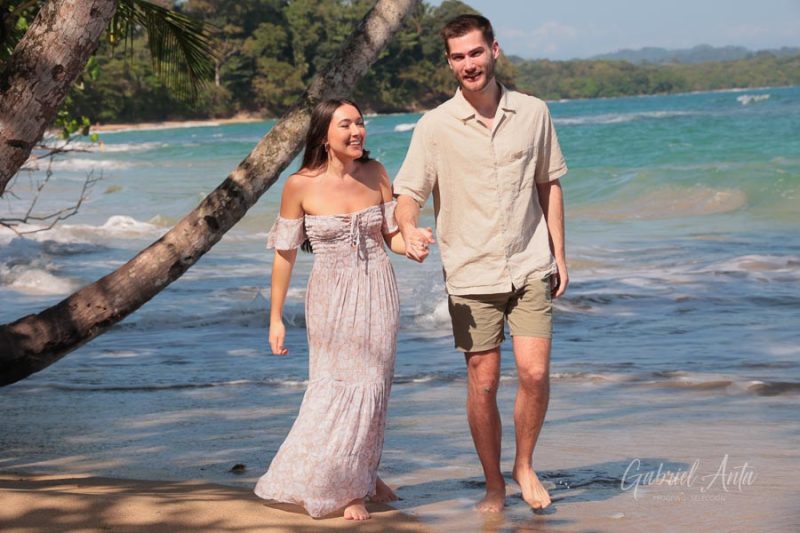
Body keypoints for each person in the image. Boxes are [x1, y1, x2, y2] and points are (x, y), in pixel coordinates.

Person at [393, 14, 568, 513]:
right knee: (483, 381)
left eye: (476, 52)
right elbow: (408, 193)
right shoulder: (434, 127)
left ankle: (524, 465)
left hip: (531, 262)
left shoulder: (535, 112)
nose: (469, 64)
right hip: (471, 272)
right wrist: (408, 228)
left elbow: (548, 183)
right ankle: (494, 484)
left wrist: (560, 253)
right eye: (458, 56)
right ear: (449, 62)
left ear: (495, 49)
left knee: (534, 374)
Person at [254, 98, 417, 520]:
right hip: (329, 296)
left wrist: (412, 245)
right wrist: (275, 317)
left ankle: (364, 474)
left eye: (360, 122)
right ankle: (348, 489)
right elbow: (284, 254)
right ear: (324, 135)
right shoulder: (299, 185)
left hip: (377, 290)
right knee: (336, 384)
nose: (357, 131)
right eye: (346, 124)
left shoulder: (377, 173)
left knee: (373, 383)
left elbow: (392, 237)